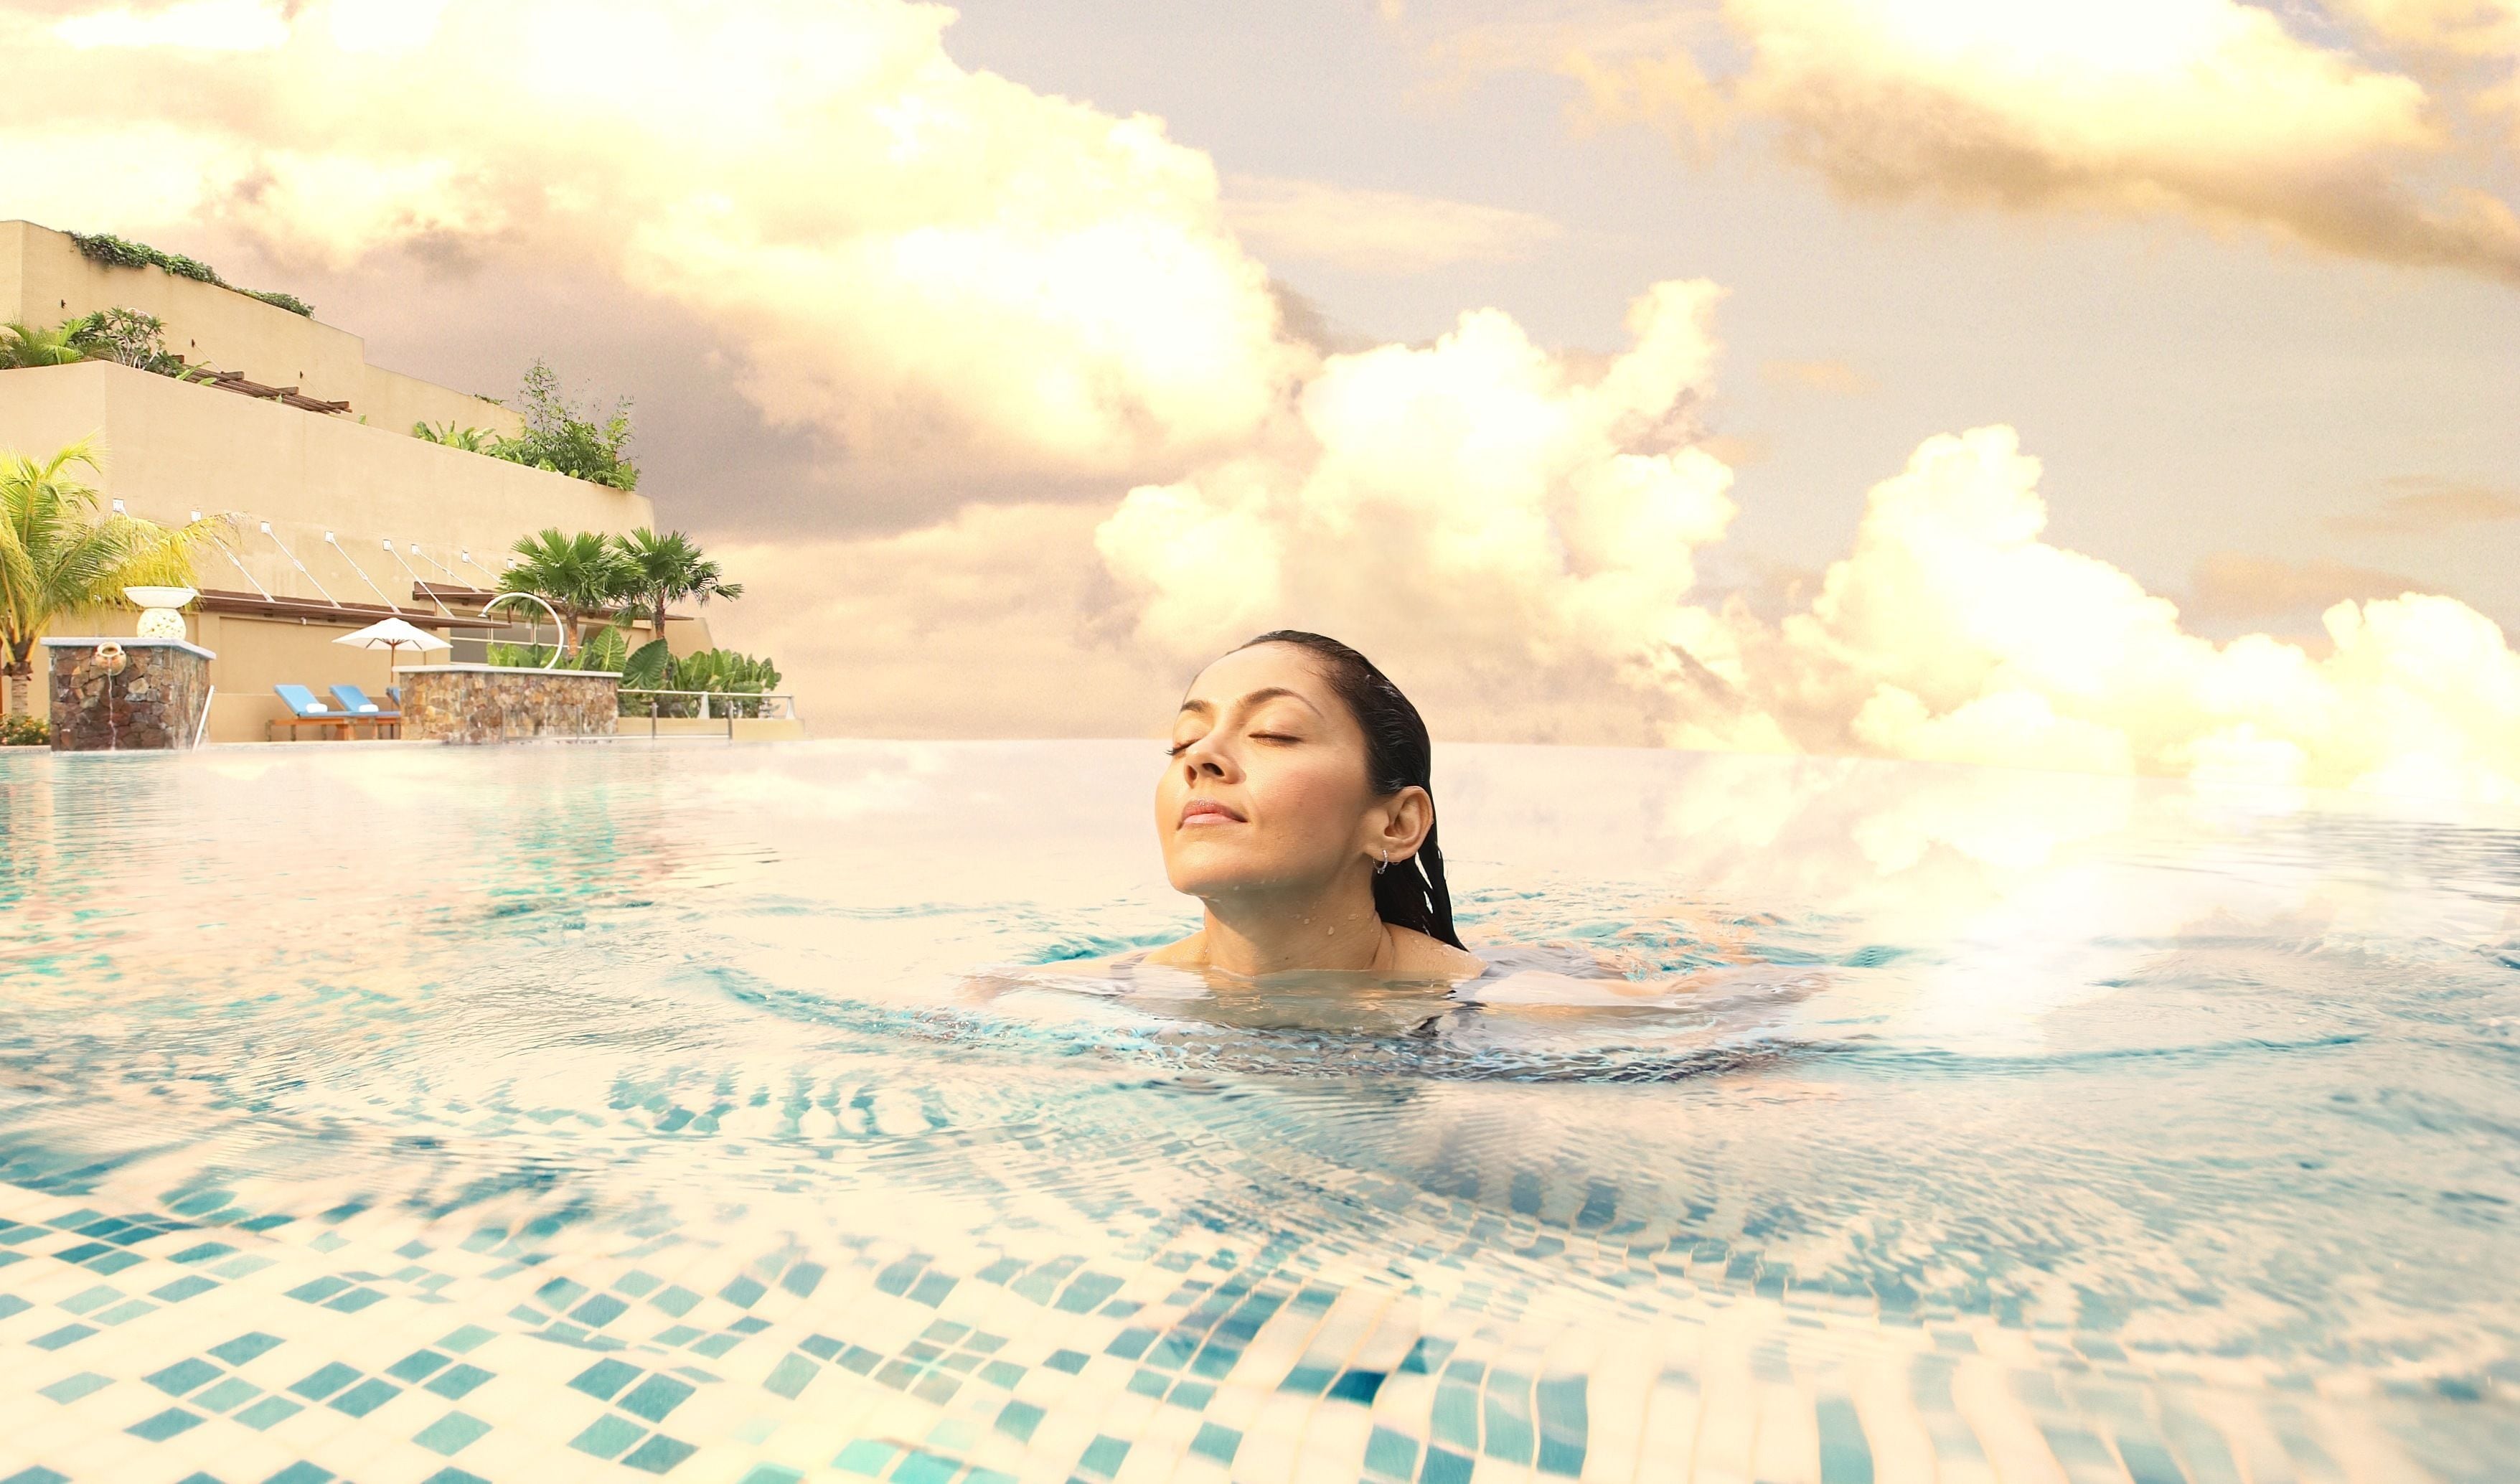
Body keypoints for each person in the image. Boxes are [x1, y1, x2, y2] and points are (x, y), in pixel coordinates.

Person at [1143, 631, 1487, 982]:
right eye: (1185, 741)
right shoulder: (1108, 992)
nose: (1199, 755)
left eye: (1273, 733)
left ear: (1396, 824)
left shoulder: (1497, 1006)